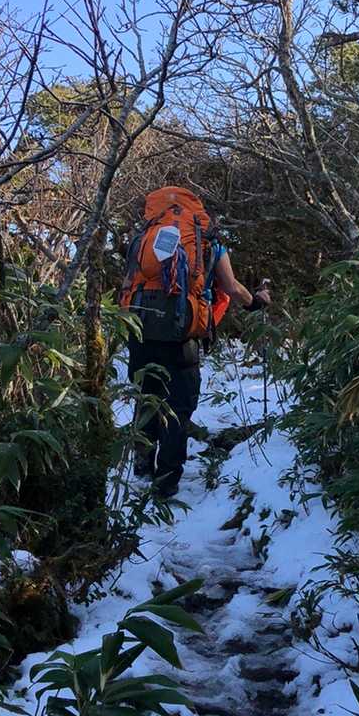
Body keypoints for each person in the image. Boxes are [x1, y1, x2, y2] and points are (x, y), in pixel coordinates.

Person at [122, 187, 270, 499]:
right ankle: (167, 481)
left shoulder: (142, 238)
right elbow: (232, 287)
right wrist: (256, 302)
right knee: (178, 406)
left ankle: (142, 468)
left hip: (141, 332)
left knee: (147, 397)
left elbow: (128, 284)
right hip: (182, 337)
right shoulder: (207, 241)